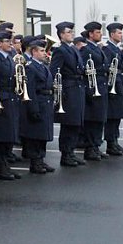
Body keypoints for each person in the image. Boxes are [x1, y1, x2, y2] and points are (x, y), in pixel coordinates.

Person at [0, 30, 22, 180]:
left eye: (10, 41)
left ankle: (6, 165)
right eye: (7, 41)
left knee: (9, 135)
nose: (10, 44)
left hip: (10, 98)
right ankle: (1, 168)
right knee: (1, 136)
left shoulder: (9, 58)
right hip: (0, 99)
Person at [50, 23, 86, 167]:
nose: (71, 34)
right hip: (68, 89)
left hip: (77, 88)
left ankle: (71, 151)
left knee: (76, 123)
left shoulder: (73, 49)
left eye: (72, 32)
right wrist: (60, 91)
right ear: (61, 35)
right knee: (69, 124)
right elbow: (55, 71)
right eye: (68, 32)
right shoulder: (60, 50)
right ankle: (65, 154)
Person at [21, 40, 56, 174]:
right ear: (34, 52)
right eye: (41, 51)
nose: (44, 53)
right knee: (35, 135)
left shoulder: (43, 66)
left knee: (43, 134)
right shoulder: (30, 67)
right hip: (38, 102)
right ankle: (35, 162)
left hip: (46, 102)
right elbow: (30, 90)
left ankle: (41, 159)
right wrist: (33, 108)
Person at [81, 22, 109, 161]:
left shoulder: (97, 49)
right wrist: (90, 90)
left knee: (100, 119)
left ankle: (96, 146)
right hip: (93, 87)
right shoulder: (86, 50)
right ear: (90, 34)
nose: (100, 34)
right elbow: (85, 71)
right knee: (92, 119)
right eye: (98, 32)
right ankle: (90, 148)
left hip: (101, 86)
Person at [102, 23, 123, 156]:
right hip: (112, 84)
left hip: (119, 83)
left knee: (117, 115)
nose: (121, 35)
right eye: (118, 33)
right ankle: (110, 143)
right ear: (112, 34)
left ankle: (115, 141)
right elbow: (108, 67)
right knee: (112, 116)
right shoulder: (108, 49)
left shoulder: (117, 49)